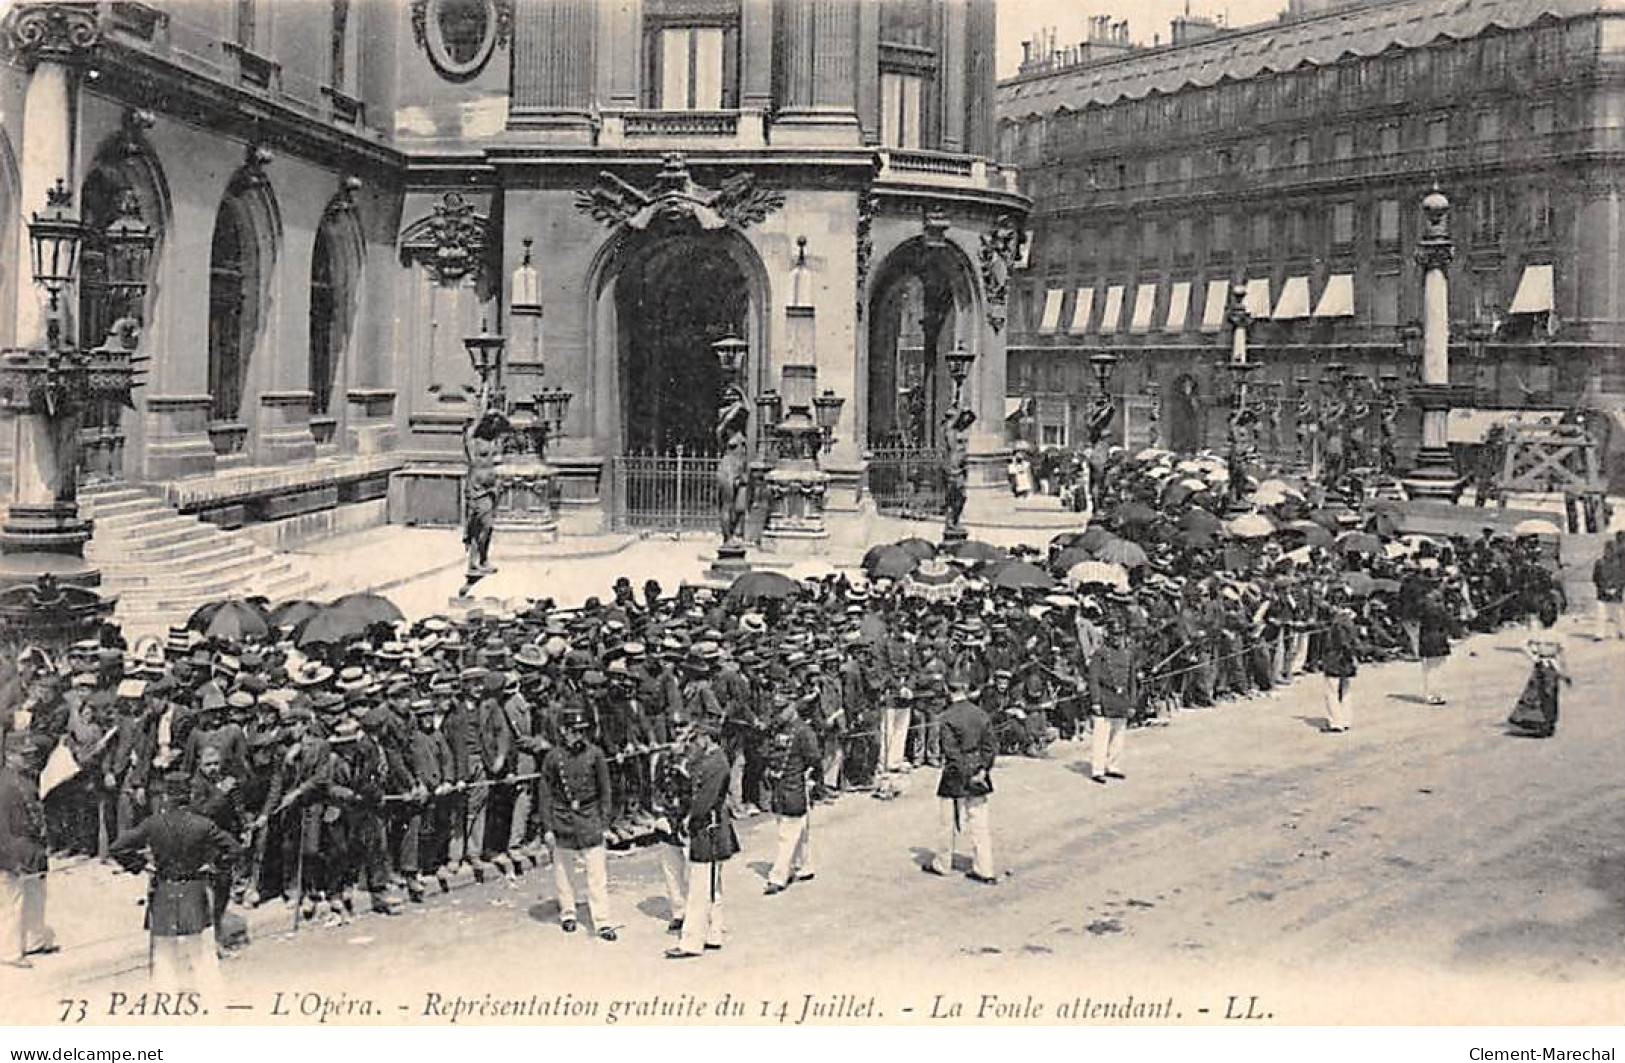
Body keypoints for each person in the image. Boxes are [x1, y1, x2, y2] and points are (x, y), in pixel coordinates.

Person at [109, 771, 241, 998]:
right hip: (194, 889)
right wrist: (214, 865)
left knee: (164, 951)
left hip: (163, 890)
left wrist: (140, 865)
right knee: (201, 950)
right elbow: (234, 849)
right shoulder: (203, 825)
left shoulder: (153, 824)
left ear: (166, 797)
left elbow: (118, 847)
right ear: (189, 795)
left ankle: (165, 1000)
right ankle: (213, 999)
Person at [666, 701, 737, 959]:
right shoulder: (711, 759)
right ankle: (714, 933)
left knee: (699, 889)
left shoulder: (716, 763)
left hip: (708, 830)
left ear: (708, 738)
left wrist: (687, 819)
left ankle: (691, 942)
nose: (694, 743)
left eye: (697, 738)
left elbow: (703, 802)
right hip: (712, 829)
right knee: (712, 887)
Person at [539, 707, 616, 940]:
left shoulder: (595, 755)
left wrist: (604, 822)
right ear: (563, 731)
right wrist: (548, 827)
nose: (578, 736)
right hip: (563, 817)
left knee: (597, 873)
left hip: (589, 816)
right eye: (573, 731)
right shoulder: (553, 757)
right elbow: (545, 794)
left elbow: (605, 790)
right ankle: (568, 913)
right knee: (564, 870)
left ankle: (602, 921)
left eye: (581, 731)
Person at [926, 678, 996, 884]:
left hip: (955, 774)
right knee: (979, 822)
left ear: (948, 690)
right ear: (966, 689)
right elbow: (990, 746)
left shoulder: (947, 717)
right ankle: (985, 868)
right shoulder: (980, 713)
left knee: (947, 821)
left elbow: (951, 752)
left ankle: (943, 863)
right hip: (978, 769)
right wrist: (982, 770)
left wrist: (965, 773)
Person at [0, 740, 54, 968]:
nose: (29, 759)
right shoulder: (6, 784)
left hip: (30, 847)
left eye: (30, 754)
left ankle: (35, 940)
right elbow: (3, 826)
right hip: (14, 848)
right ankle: (9, 952)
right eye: (24, 755)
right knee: (12, 900)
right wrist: (8, 856)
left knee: (35, 894)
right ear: (10, 755)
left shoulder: (23, 779)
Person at [762, 694, 819, 895]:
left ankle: (778, 877)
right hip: (779, 787)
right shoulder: (778, 729)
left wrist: (812, 782)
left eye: (783, 709)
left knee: (786, 834)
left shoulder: (803, 731)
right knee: (797, 830)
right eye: (777, 710)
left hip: (795, 786)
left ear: (792, 707)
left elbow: (814, 759)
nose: (779, 714)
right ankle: (805, 865)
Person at [1508, 597, 1572, 738]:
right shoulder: (1559, 636)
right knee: (1550, 695)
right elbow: (1563, 657)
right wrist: (1565, 674)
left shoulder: (1537, 634)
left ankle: (1532, 719)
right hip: (1552, 666)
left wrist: (1534, 656)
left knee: (1535, 693)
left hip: (1540, 665)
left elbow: (1522, 645)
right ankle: (1548, 723)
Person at [1088, 612, 1137, 783]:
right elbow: (1093, 679)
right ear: (1108, 635)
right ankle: (1098, 768)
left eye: (1120, 634)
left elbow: (1132, 681)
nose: (1117, 638)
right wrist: (1095, 701)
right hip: (1105, 697)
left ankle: (1113, 765)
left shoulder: (1128, 654)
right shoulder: (1100, 654)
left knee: (1119, 735)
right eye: (1114, 634)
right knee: (1101, 736)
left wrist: (1132, 703)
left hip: (1121, 698)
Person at [1320, 599, 1361, 733]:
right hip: (1347, 662)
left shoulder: (1337, 624)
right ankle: (1346, 719)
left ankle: (1335, 722)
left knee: (1331, 692)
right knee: (1346, 691)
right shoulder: (1351, 624)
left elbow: (1343, 644)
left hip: (1334, 660)